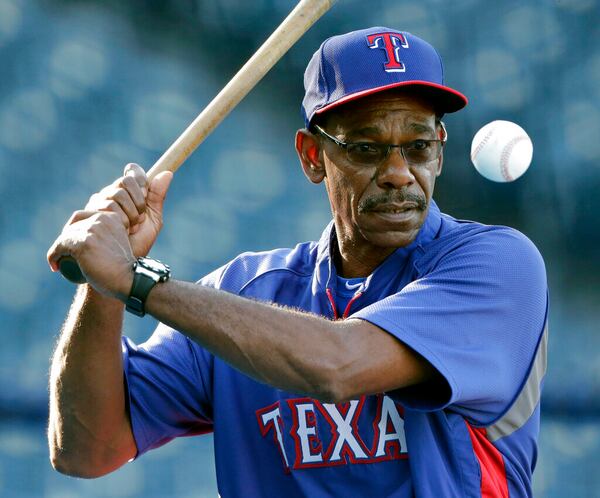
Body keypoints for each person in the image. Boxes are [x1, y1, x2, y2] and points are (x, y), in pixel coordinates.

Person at [47, 27, 548, 498]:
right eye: (367, 147)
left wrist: (138, 282)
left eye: (418, 146)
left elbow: (337, 365)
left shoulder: (497, 265)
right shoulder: (242, 292)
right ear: (312, 156)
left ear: (439, 153)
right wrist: (102, 282)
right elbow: (88, 449)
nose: (399, 172)